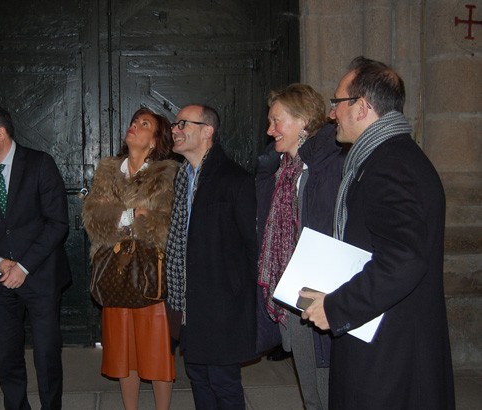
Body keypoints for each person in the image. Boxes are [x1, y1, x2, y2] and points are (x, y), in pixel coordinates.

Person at [300, 56, 455, 409]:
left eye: (337, 102)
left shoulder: (391, 166)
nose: (331, 113)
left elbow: (403, 259)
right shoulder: (386, 156)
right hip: (383, 339)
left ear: (363, 107)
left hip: (391, 352)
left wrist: (338, 306)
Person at [0, 104, 71, 410]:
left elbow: (57, 223)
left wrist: (24, 266)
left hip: (40, 276)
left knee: (46, 352)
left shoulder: (39, 164)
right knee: (7, 354)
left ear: (0, 132)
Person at [82, 107, 178, 410]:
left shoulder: (166, 172)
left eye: (144, 124)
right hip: (115, 271)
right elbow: (92, 216)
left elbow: (165, 224)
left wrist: (122, 220)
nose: (134, 126)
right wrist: (132, 214)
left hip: (150, 271)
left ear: (154, 140)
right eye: (134, 121)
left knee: (156, 350)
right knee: (124, 351)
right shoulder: (108, 170)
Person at [256, 84, 344, 410]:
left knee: (326, 386)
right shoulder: (285, 170)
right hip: (295, 287)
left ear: (304, 120)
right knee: (311, 391)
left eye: (277, 121)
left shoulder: (325, 167)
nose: (269, 130)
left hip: (318, 289)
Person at [165, 104, 257, 409]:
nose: (175, 130)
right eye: (175, 124)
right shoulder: (182, 178)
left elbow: (251, 248)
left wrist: (236, 296)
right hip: (188, 302)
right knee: (199, 379)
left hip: (221, 305)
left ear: (207, 131)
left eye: (183, 124)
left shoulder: (235, 179)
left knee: (223, 383)